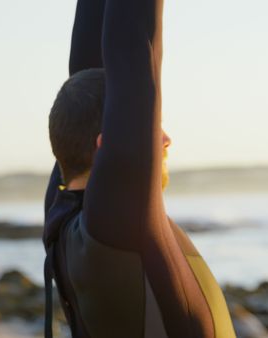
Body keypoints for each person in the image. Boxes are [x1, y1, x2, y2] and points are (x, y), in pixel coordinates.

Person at [42, 0, 236, 337]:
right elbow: (133, 47)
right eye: (149, 132)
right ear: (109, 148)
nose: (164, 139)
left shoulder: (68, 217)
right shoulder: (116, 225)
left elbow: (92, 74)